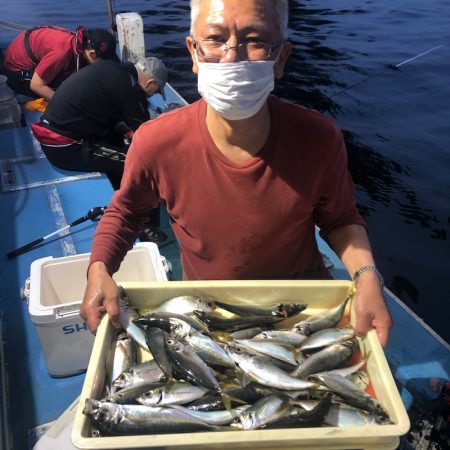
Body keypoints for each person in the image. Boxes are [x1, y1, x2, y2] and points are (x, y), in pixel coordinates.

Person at [80, 0, 392, 347]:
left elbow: (340, 218)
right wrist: (99, 270)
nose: (232, 56)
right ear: (193, 53)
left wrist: (367, 278)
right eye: (214, 38)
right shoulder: (155, 142)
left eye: (255, 39)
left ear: (281, 58)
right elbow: (126, 212)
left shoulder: (319, 138)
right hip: (211, 311)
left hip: (303, 310)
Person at [31, 56, 169, 244]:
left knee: (121, 144)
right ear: (150, 82)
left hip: (59, 131)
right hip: (67, 147)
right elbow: (147, 134)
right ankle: (140, 224)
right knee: (135, 163)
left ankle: (124, 194)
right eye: (154, 92)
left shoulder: (113, 69)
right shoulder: (131, 90)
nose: (151, 96)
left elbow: (105, 110)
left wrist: (123, 129)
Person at [0, 26, 117, 101]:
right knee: (71, 91)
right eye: (102, 61)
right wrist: (65, 103)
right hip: (16, 74)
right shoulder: (61, 53)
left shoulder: (76, 40)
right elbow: (36, 85)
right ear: (91, 53)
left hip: (24, 53)